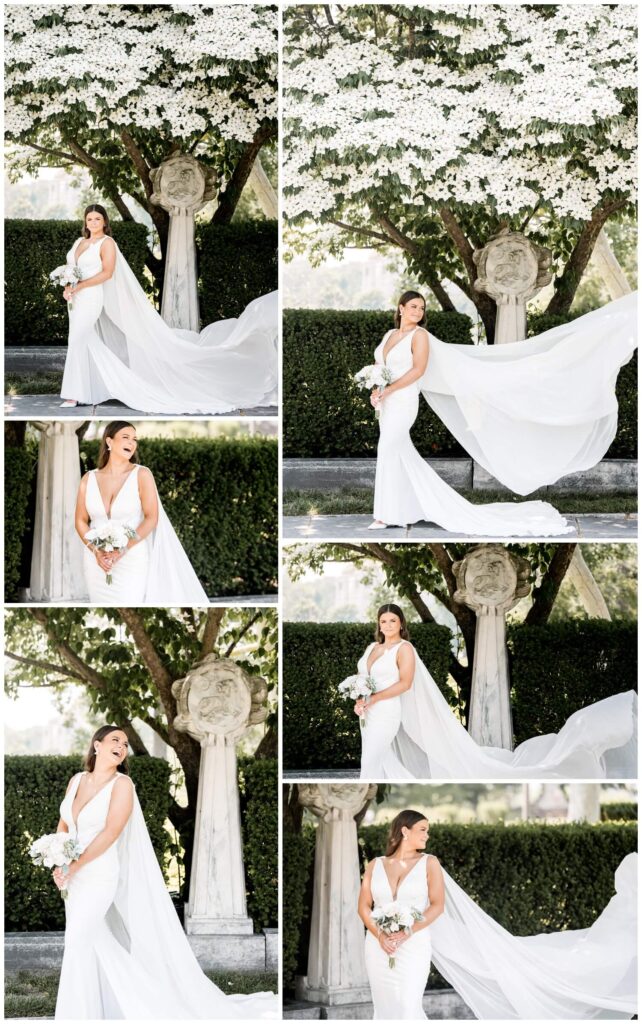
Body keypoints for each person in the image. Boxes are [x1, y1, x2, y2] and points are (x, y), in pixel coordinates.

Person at [367, 289, 636, 536]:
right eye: (413, 306)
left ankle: (384, 515)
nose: (418, 311)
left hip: (403, 402)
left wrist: (388, 390)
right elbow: (381, 367)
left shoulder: (420, 336)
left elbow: (418, 371)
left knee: (388, 449)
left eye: (421, 308)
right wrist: (377, 390)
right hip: (387, 403)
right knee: (399, 453)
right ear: (400, 308)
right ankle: (402, 510)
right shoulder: (388, 336)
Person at [53, 725, 278, 1019]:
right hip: (73, 875)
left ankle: (80, 1014)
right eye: (114, 740)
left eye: (124, 743)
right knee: (90, 940)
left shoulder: (122, 785)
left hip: (98, 873)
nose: (122, 746)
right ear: (96, 744)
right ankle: (104, 1009)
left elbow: (111, 833)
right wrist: (59, 859)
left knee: (79, 940)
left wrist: (76, 863)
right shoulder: (76, 780)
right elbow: (64, 824)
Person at [358, 809, 637, 1020]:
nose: (427, 835)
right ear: (404, 831)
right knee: (383, 1008)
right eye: (422, 829)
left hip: (413, 945)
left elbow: (437, 906)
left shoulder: (429, 863)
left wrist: (405, 932)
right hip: (377, 947)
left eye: (427, 830)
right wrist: (380, 935)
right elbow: (364, 907)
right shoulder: (375, 865)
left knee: (407, 1006)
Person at [350, 604, 636, 779]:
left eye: (393, 621)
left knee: (373, 757)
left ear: (401, 623)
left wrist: (373, 698)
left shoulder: (405, 648)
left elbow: (405, 684)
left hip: (387, 711)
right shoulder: (371, 648)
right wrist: (361, 700)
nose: (387, 625)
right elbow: (365, 677)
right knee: (374, 758)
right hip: (368, 713)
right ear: (378, 623)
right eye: (383, 621)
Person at [60, 204, 277, 413]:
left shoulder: (107, 243)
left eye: (98, 219)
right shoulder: (80, 241)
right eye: (90, 219)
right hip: (75, 299)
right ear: (85, 221)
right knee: (82, 339)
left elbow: (107, 273)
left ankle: (74, 393)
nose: (93, 222)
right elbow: (74, 269)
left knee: (78, 338)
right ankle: (89, 389)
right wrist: (69, 287)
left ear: (105, 221)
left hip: (91, 296)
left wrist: (79, 286)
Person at [75, 421, 208, 604]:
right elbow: (80, 521)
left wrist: (123, 549)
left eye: (134, 439)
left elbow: (152, 517)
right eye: (125, 437)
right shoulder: (88, 479)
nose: (131, 443)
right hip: (97, 562)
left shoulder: (142, 474)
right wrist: (96, 550)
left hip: (131, 558)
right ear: (109, 442)